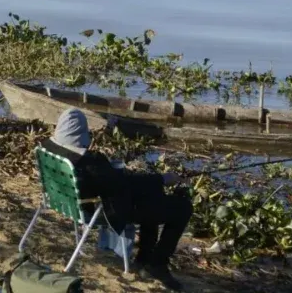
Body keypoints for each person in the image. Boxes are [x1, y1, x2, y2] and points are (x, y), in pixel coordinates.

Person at [43, 108, 192, 291]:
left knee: (153, 193)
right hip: (98, 212)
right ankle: (157, 263)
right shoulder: (91, 163)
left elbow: (114, 183)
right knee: (183, 208)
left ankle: (145, 257)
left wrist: (152, 182)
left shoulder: (49, 148)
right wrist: (162, 178)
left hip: (66, 202)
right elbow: (123, 184)